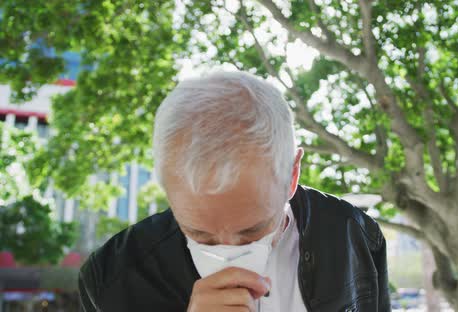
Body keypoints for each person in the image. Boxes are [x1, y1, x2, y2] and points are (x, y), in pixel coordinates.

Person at [78, 71, 390, 311]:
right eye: (200, 235)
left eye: (252, 230)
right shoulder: (110, 279)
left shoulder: (355, 234)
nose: (230, 251)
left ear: (292, 174)